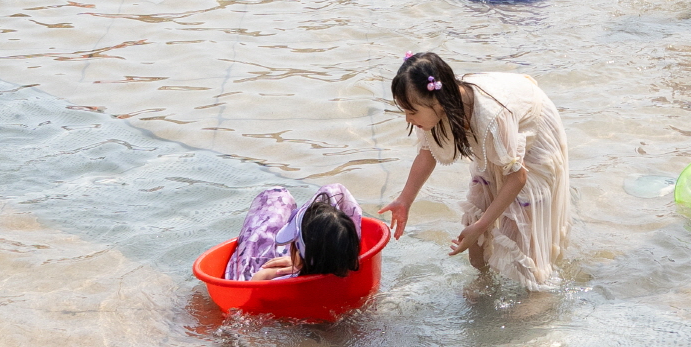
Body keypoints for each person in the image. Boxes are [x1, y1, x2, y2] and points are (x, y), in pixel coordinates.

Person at [378, 51, 571, 286]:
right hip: (494, 134)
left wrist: (481, 226)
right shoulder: (437, 108)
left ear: (438, 102)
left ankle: (536, 291)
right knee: (476, 236)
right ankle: (485, 280)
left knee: (521, 234)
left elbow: (518, 177)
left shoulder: (491, 118)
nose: (408, 119)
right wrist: (405, 200)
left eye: (411, 112)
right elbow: (427, 152)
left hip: (533, 130)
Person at [224, 184, 363, 281]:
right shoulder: (348, 270)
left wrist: (298, 264)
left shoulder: (280, 280)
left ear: (297, 252)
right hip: (315, 261)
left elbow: (257, 283)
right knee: (333, 191)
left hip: (285, 269)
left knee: (277, 194)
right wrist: (304, 261)